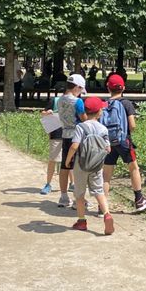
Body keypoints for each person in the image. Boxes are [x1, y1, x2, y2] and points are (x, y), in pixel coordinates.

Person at [64, 97, 115, 234]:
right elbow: (108, 149)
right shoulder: (103, 128)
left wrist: (68, 160)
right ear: (99, 112)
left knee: (79, 194)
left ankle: (81, 221)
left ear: (85, 112)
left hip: (80, 165)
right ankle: (107, 214)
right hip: (96, 165)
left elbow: (75, 145)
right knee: (99, 191)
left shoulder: (81, 127)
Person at [101, 74, 146, 211]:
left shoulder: (104, 104)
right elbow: (132, 125)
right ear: (123, 87)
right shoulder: (126, 103)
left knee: (106, 174)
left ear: (108, 88)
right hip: (123, 141)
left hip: (108, 142)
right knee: (133, 168)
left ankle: (102, 206)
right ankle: (139, 200)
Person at [55, 74, 88, 207]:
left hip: (65, 134)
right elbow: (84, 118)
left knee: (65, 166)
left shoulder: (60, 99)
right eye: (80, 90)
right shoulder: (77, 102)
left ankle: (63, 197)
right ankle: (78, 199)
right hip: (77, 135)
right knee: (78, 168)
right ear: (77, 87)